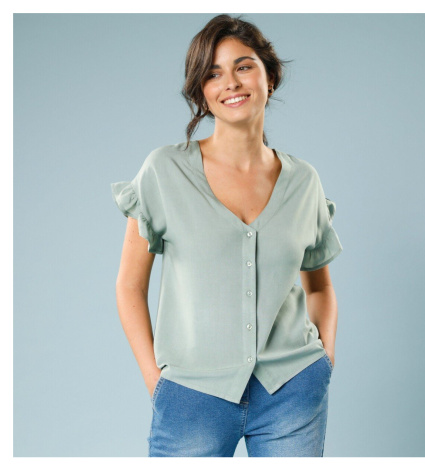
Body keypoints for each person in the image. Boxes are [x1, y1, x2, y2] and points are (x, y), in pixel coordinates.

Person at [111, 14, 343, 457]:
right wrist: (155, 379)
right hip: (191, 395)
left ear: (269, 76)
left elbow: (321, 287)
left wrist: (324, 362)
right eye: (213, 74)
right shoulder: (164, 171)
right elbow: (129, 286)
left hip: (292, 391)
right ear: (201, 91)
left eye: (243, 66)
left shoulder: (304, 181)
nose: (231, 83)